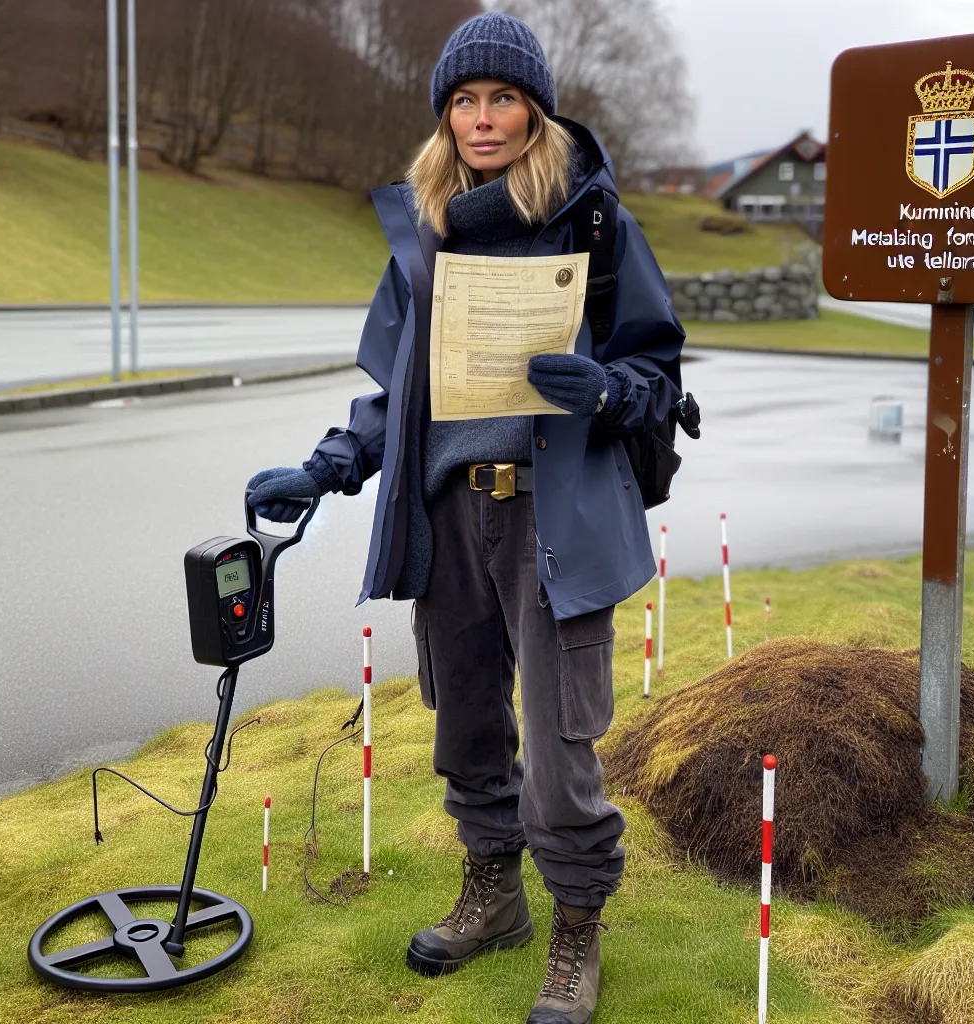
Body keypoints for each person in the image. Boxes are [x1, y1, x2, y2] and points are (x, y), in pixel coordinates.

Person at [245, 12, 683, 1023]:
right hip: (450, 520)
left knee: (563, 745)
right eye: (464, 101)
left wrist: (605, 390)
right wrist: (324, 469)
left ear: (535, 110)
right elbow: (396, 394)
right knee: (467, 725)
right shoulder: (424, 229)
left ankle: (577, 927)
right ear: (445, 116)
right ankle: (495, 896)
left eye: (502, 99)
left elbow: (656, 370)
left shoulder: (592, 222)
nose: (482, 118)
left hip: (554, 520)